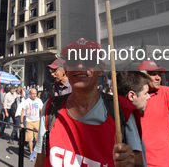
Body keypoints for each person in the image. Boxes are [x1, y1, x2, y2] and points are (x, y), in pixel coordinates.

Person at [35, 38, 140, 167]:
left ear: (101, 69)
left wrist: (130, 160)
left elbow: (139, 161)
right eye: (73, 60)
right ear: (66, 69)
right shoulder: (50, 108)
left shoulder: (121, 110)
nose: (80, 66)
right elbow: (40, 160)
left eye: (89, 60)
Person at [20, 88, 43, 161]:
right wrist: (21, 123)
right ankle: (31, 153)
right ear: (30, 94)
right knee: (30, 139)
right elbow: (23, 112)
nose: (34, 95)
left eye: (35, 93)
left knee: (37, 138)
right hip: (29, 121)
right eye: (33, 94)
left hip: (37, 121)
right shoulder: (26, 101)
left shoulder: (39, 101)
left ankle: (35, 151)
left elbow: (42, 110)